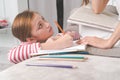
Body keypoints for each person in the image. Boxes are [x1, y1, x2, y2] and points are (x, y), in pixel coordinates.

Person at [8, 10, 77, 64]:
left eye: (43, 19)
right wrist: (55, 45)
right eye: (40, 26)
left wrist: (69, 35)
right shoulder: (26, 47)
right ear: (31, 39)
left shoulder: (44, 39)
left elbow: (63, 38)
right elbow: (12, 55)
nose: (47, 24)